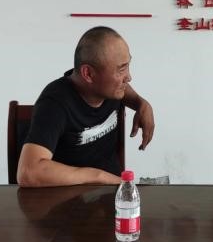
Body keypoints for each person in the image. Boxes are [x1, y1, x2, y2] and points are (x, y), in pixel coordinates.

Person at [17, 26, 155, 187]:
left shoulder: (110, 88)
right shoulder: (55, 103)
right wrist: (99, 176)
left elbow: (126, 91)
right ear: (88, 74)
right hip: (67, 196)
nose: (128, 77)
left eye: (127, 65)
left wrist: (141, 103)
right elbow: (28, 172)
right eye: (121, 70)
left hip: (111, 193)